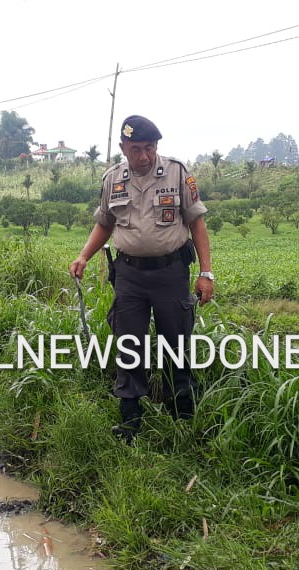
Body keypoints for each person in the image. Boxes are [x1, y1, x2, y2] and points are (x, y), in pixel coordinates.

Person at [69, 115, 214, 442]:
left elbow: (197, 223)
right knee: (129, 342)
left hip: (170, 272)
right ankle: (130, 420)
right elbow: (105, 224)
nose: (145, 155)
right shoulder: (112, 179)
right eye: (136, 149)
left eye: (150, 147)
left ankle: (182, 416)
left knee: (175, 342)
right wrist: (83, 256)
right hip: (130, 275)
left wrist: (206, 273)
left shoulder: (177, 173)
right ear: (124, 148)